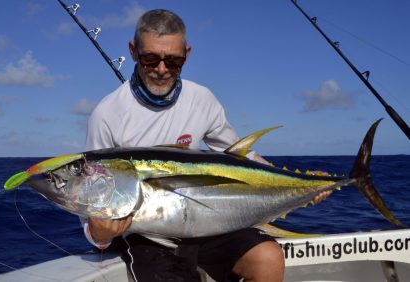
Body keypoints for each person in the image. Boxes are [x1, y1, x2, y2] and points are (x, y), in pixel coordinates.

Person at [83, 9, 329, 282]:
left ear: (187, 54)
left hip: (206, 222)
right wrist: (99, 235)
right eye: (150, 58)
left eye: (173, 61)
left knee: (268, 258)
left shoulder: (202, 99)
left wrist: (304, 184)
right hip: (144, 235)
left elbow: (240, 160)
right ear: (132, 51)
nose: (162, 70)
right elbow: (91, 200)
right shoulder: (108, 114)